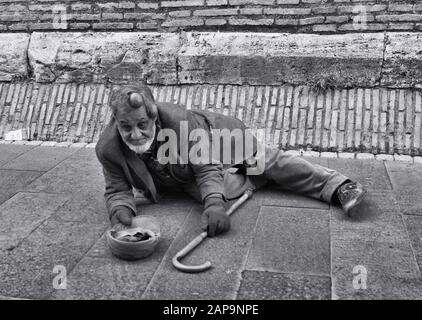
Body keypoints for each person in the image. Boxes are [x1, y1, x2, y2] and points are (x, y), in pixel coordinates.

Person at [95, 84, 366, 237]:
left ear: (153, 116)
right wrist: (121, 213)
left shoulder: (180, 124)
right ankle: (253, 177)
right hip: (181, 178)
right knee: (227, 190)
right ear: (116, 123)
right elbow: (117, 189)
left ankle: (339, 186)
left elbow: (205, 168)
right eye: (126, 127)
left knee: (265, 161)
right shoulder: (108, 149)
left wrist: (213, 205)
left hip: (222, 140)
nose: (135, 134)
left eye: (141, 124)